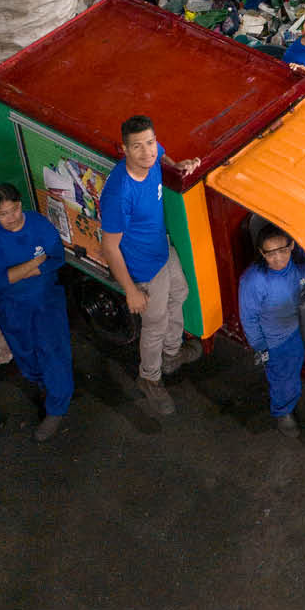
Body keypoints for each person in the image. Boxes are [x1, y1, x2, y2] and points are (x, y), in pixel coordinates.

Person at [98, 115, 202, 419]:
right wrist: (131, 290)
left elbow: (163, 156)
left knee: (179, 294)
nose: (147, 152)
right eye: (137, 146)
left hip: (162, 249)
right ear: (124, 150)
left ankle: (171, 354)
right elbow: (109, 247)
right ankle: (149, 378)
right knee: (154, 324)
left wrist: (176, 166)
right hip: (143, 267)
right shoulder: (120, 193)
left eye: (150, 143)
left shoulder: (154, 156)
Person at [0, 182, 72, 442]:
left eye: (15, 209)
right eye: (3, 214)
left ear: (21, 204)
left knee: (53, 352)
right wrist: (35, 262)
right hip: (13, 308)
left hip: (46, 303)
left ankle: (56, 408)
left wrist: (18, 273)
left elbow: (56, 258)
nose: (12, 218)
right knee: (26, 352)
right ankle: (44, 385)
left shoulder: (39, 224)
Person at [238, 222, 305, 437]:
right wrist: (261, 347)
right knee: (283, 380)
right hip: (277, 341)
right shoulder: (253, 281)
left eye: (282, 250)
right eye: (270, 253)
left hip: (300, 328)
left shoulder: (301, 265)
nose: (278, 258)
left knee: (292, 371)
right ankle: (283, 412)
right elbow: (249, 317)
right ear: (262, 253)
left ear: (291, 246)